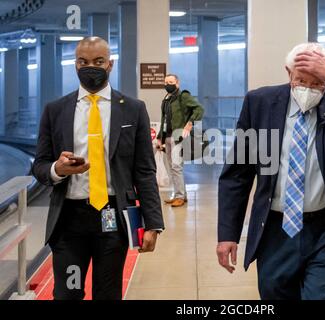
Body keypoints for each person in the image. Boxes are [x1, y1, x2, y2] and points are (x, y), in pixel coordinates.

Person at [217, 42, 325, 300]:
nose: (308, 88)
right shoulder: (260, 103)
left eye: (317, 81)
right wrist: (228, 234)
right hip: (275, 228)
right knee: (274, 293)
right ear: (288, 73)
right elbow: (238, 174)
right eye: (301, 80)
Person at [32, 37, 164, 300]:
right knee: (67, 294)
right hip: (68, 222)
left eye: (98, 61)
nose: (90, 66)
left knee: (108, 294)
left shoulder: (133, 110)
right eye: (83, 61)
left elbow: (145, 171)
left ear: (110, 64)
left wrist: (153, 223)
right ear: (75, 65)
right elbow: (40, 166)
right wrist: (58, 170)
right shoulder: (55, 110)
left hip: (112, 218)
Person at [156, 74, 204, 207]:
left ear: (177, 83)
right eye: (166, 82)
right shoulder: (167, 99)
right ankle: (180, 194)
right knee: (173, 167)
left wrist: (189, 123)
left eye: (170, 82)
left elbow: (199, 109)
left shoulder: (183, 96)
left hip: (178, 136)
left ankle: (179, 196)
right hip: (168, 136)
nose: (167, 84)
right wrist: (160, 137)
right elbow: (164, 120)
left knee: (176, 166)